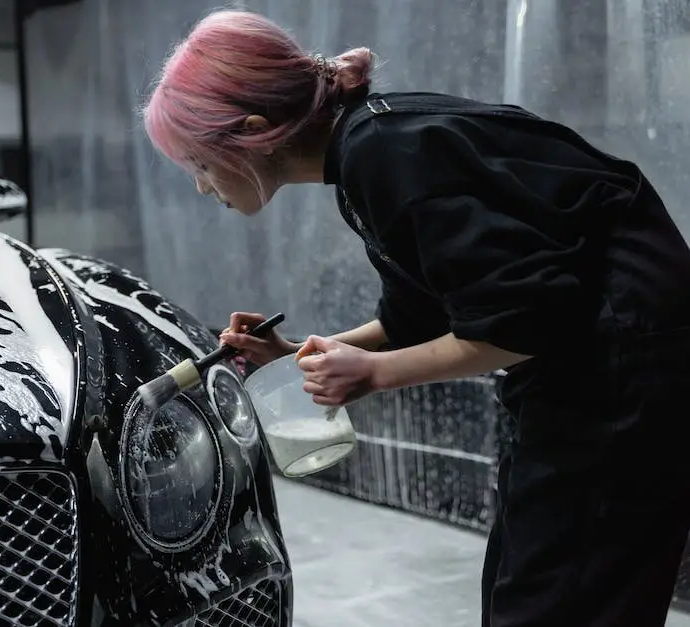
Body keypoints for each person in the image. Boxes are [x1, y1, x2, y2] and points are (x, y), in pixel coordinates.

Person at [142, 8, 690, 627]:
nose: (201, 187)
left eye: (200, 165)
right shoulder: (368, 145)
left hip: (626, 375)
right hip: (583, 371)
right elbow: (427, 316)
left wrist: (372, 375)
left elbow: (521, 322)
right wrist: (296, 354)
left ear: (256, 130)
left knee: (561, 602)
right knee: (528, 584)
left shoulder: (385, 152)